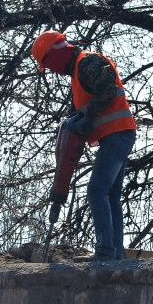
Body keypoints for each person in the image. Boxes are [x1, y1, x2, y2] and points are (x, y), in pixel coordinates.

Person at [32, 30, 137, 261]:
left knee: (96, 190)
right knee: (110, 194)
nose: (50, 70)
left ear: (55, 55)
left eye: (47, 64)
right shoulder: (79, 72)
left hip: (118, 134)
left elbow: (107, 90)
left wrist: (87, 117)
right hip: (118, 134)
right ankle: (115, 253)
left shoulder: (87, 62)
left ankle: (105, 252)